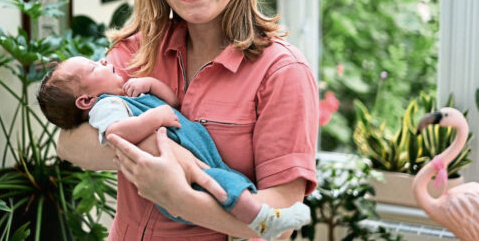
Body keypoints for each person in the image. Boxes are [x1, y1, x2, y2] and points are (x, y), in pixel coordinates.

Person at [56, 0, 319, 241]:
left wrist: (179, 198)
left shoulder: (282, 72)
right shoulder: (137, 48)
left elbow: (281, 217)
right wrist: (164, 150)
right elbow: (70, 143)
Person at [38, 56, 311, 240]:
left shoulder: (121, 95)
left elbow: (172, 104)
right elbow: (115, 134)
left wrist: (151, 85)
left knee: (224, 182)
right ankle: (264, 221)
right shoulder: (105, 107)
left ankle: (264, 218)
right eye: (94, 67)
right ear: (85, 101)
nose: (105, 60)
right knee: (223, 185)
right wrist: (155, 124)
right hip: (172, 177)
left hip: (192, 155)